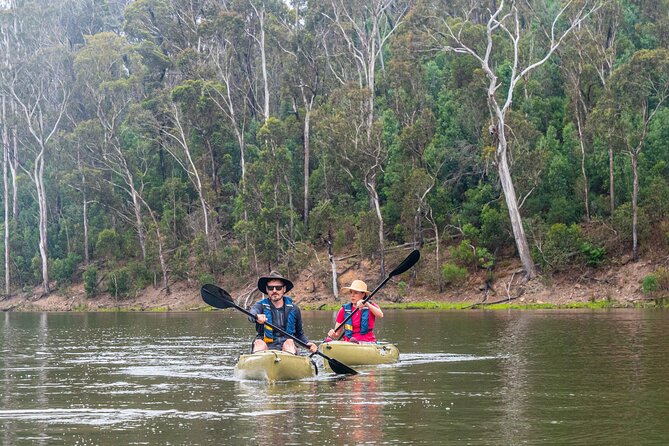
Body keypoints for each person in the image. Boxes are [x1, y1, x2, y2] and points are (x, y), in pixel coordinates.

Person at [248, 271, 318, 354]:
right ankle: (259, 362)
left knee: (289, 342)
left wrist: (307, 343)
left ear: (284, 289)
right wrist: (256, 316)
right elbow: (251, 315)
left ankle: (289, 362)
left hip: (287, 348)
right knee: (259, 343)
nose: (274, 291)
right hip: (266, 346)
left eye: (278, 288)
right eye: (271, 288)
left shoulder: (294, 309)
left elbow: (299, 334)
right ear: (267, 289)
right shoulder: (260, 305)